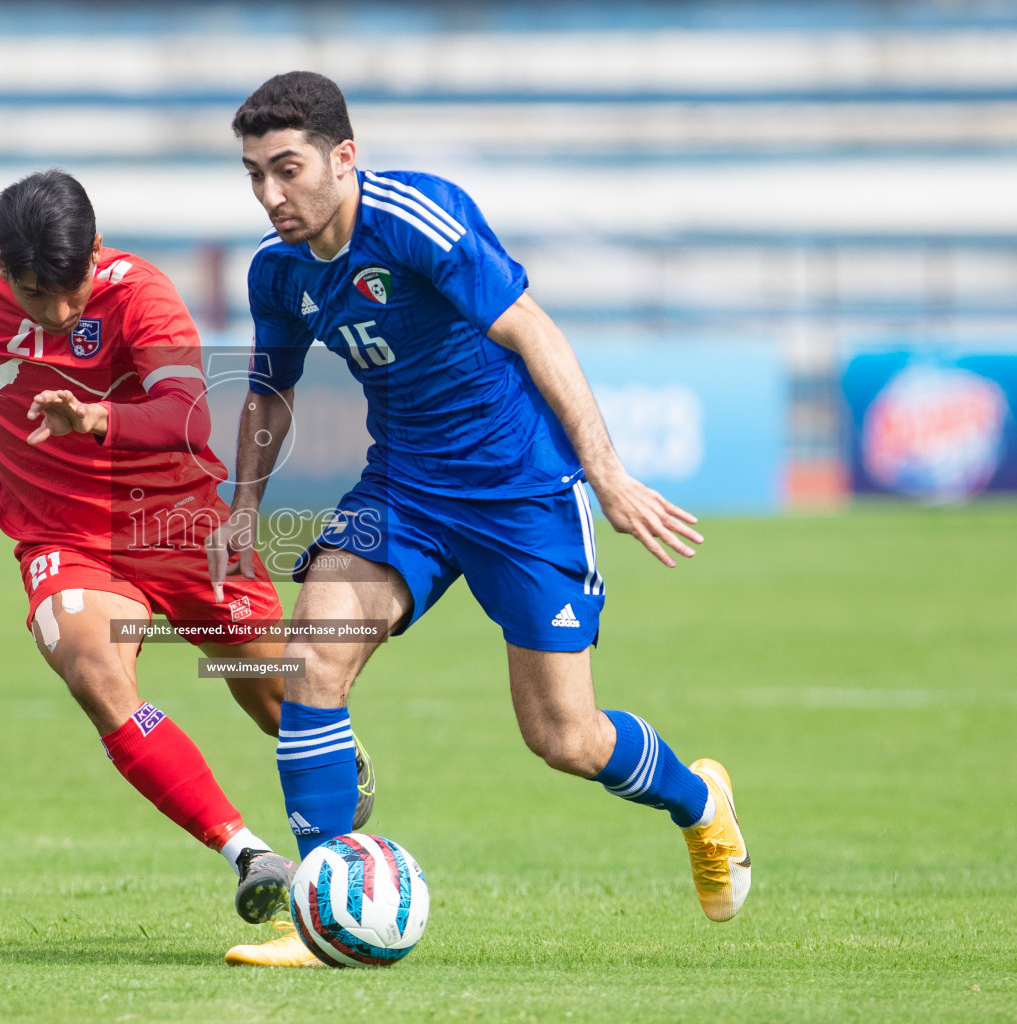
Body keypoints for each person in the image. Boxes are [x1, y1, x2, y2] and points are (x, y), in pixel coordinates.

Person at [216, 72, 751, 967]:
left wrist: (606, 474)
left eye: (288, 168)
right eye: (254, 176)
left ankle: (700, 803)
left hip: (520, 493)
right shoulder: (277, 273)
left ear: (344, 159)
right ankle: (320, 912)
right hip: (405, 492)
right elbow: (272, 388)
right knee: (310, 659)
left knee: (565, 739)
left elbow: (534, 331)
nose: (272, 195)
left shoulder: (420, 220)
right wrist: (243, 507)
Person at [0, 169, 358, 931]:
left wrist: (96, 417)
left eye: (73, 291)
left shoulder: (142, 296)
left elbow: (183, 418)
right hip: (62, 536)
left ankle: (343, 796)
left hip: (180, 528)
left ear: (95, 250)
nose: (62, 313)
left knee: (287, 709)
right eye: (39, 297)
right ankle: (249, 854)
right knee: (94, 672)